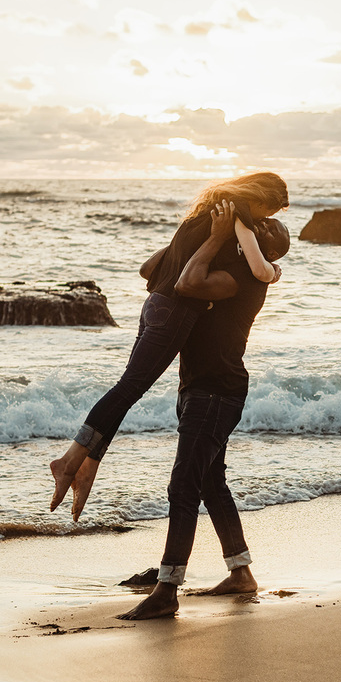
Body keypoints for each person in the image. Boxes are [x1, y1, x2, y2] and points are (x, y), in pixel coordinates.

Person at [49, 172, 288, 520]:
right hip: (175, 311)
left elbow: (148, 269)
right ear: (259, 200)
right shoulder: (235, 217)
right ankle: (70, 460)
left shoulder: (199, 216)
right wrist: (274, 270)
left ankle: (88, 466)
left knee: (128, 389)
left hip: (152, 308)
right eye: (268, 213)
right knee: (128, 388)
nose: (266, 220)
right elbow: (258, 270)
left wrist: (184, 250)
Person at [117, 200, 288, 619]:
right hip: (200, 388)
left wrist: (214, 238)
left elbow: (187, 284)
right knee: (212, 484)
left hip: (216, 392)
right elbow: (151, 270)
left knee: (183, 487)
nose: (254, 227)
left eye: (263, 230)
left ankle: (167, 589)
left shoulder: (242, 278)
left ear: (261, 250)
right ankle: (241, 572)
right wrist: (190, 236)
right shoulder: (224, 260)